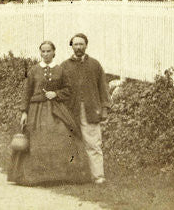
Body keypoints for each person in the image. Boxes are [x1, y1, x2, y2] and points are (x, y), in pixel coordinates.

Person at [8, 41, 90, 186]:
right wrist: (24, 113)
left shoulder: (60, 70)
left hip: (56, 110)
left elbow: (68, 90)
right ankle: (35, 177)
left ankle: (61, 176)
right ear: (40, 53)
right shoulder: (34, 71)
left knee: (63, 136)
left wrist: (56, 93)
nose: (45, 54)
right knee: (36, 141)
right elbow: (27, 92)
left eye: (48, 51)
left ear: (54, 53)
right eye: (43, 51)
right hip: (36, 111)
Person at [62, 33, 110, 184]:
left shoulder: (94, 65)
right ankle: (74, 177)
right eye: (75, 44)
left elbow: (103, 87)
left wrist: (104, 108)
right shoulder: (64, 66)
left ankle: (98, 176)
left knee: (93, 144)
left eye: (81, 44)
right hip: (71, 111)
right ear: (71, 46)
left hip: (90, 110)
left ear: (86, 46)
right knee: (71, 144)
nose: (78, 47)